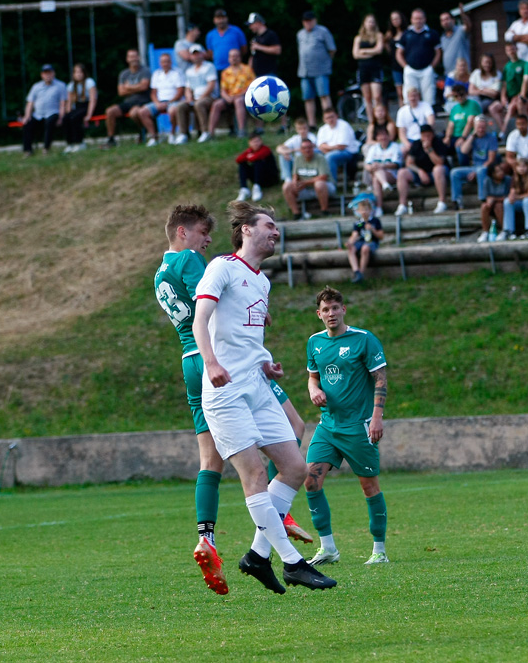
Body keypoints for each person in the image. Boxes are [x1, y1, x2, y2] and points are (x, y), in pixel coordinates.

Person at [155, 203, 313, 595]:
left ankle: (206, 536)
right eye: (201, 233)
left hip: (190, 361)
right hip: (220, 360)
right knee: (290, 430)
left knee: (210, 459)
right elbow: (208, 304)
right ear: (182, 233)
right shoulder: (194, 261)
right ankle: (278, 519)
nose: (207, 241)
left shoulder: (159, 274)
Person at [192, 201, 337, 594]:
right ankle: (292, 562)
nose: (276, 232)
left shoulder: (263, 281)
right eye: (269, 226)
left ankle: (257, 556)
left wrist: (267, 364)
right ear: (246, 230)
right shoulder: (221, 267)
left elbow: (245, 334)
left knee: (294, 467)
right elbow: (200, 319)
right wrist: (210, 362)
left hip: (256, 386)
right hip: (225, 392)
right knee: (254, 474)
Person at [304, 286, 390, 566]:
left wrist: (377, 417)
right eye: (325, 310)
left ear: (344, 310)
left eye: (335, 308)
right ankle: (328, 548)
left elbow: (380, 379)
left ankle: (379, 550)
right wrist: (313, 390)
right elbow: (312, 377)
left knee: (369, 487)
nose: (331, 313)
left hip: (358, 426)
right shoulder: (315, 343)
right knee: (311, 481)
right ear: (319, 314)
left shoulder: (364, 340)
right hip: (328, 426)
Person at [396, 124, 450, 216]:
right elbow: (409, 163)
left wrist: (429, 150)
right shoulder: (416, 144)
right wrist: (420, 171)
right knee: (402, 173)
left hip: (437, 173)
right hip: (421, 174)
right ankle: (402, 205)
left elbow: (440, 162)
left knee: (438, 169)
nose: (426, 138)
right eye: (424, 135)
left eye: (428, 135)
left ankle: (442, 202)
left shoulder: (438, 143)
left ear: (432, 134)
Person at [297, 12, 337, 129]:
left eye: (310, 20)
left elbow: (332, 50)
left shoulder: (323, 31)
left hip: (321, 71)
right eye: (305, 21)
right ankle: (312, 123)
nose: (307, 23)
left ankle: (329, 121)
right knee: (308, 98)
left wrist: (325, 62)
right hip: (305, 71)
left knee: (324, 96)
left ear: (315, 20)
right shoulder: (300, 34)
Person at [103, 49, 150, 148]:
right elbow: (121, 92)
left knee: (134, 113)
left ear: (139, 57)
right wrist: (137, 87)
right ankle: (111, 139)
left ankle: (142, 133)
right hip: (128, 102)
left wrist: (128, 87)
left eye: (135, 56)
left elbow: (144, 87)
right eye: (131, 56)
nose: (133, 59)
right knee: (110, 111)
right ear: (127, 59)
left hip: (142, 101)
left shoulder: (145, 71)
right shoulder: (124, 74)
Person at [137, 53, 185, 147]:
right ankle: (154, 137)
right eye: (163, 62)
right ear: (160, 63)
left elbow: (180, 92)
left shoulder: (177, 73)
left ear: (171, 62)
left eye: (167, 61)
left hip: (173, 101)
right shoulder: (156, 74)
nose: (165, 64)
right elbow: (153, 93)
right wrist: (157, 103)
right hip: (159, 102)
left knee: (173, 110)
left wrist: (168, 102)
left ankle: (172, 134)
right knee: (142, 112)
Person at [173, 45, 218, 144]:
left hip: (209, 97)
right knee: (180, 106)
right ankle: (183, 134)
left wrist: (200, 98)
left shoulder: (209, 66)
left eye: (198, 53)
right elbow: (188, 88)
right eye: (194, 54)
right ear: (191, 56)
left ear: (202, 54)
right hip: (195, 98)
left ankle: (205, 132)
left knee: (199, 104)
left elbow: (211, 85)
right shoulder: (189, 71)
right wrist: (189, 97)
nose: (196, 56)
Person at [451, 115, 498, 209]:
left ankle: (482, 198)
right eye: (478, 127)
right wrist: (472, 136)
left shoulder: (491, 138)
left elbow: (491, 159)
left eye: (483, 128)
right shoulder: (472, 137)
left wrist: (476, 172)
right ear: (474, 127)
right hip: (473, 167)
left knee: (481, 171)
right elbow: (464, 151)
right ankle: (457, 200)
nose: (481, 130)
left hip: (485, 167)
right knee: (454, 172)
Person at [396, 9, 442, 107]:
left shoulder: (432, 33)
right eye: (416, 18)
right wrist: (405, 67)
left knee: (429, 98)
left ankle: (428, 120)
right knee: (409, 98)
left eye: (420, 18)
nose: (418, 21)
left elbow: (438, 52)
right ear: (412, 20)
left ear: (424, 19)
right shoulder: (406, 34)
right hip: (411, 70)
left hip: (427, 70)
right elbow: (399, 53)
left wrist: (432, 67)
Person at [283, 138, 336, 219]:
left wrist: (305, 183)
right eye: (304, 148)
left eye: (309, 147)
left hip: (325, 188)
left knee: (319, 184)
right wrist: (295, 183)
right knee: (286, 186)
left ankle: (324, 210)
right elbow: (295, 175)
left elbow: (323, 177)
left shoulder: (320, 158)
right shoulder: (298, 159)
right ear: (300, 149)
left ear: (313, 148)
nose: (307, 150)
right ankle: (296, 214)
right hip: (305, 189)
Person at [20, 63, 66, 157]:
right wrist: (27, 116)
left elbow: (63, 103)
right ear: (42, 75)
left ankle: (46, 148)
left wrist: (61, 117)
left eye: (50, 72)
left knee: (50, 122)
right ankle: (28, 150)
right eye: (45, 73)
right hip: (38, 114)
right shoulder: (36, 86)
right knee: (27, 124)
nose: (48, 75)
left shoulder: (60, 85)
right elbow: (30, 103)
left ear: (54, 73)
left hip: (53, 113)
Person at [208, 48, 254, 139]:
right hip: (229, 98)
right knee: (216, 104)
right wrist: (227, 98)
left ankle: (241, 131)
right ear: (229, 59)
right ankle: (210, 133)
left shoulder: (247, 69)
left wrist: (239, 95)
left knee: (238, 101)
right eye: (232, 56)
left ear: (240, 57)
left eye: (236, 56)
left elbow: (252, 86)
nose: (234, 58)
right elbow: (223, 90)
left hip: (243, 97)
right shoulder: (225, 72)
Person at [316, 108, 361, 190]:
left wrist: (326, 147)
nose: (330, 120)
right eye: (327, 118)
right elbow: (320, 146)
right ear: (324, 119)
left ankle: (332, 186)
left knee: (330, 157)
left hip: (347, 153)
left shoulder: (344, 125)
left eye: (331, 117)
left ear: (336, 116)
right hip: (330, 152)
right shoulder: (323, 129)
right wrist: (332, 147)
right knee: (313, 152)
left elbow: (341, 146)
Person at [353, 14, 385, 126]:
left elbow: (379, 50)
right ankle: (372, 122)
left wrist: (364, 52)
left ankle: (380, 120)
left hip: (375, 69)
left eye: (372, 22)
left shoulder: (379, 35)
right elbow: (356, 54)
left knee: (377, 96)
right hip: (363, 69)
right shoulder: (358, 38)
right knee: (367, 97)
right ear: (364, 24)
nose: (370, 24)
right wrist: (372, 52)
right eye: (368, 22)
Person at [347, 195, 385, 283]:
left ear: (370, 210)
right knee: (351, 249)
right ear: (358, 211)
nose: (364, 212)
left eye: (366, 210)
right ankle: (356, 272)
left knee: (365, 248)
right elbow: (355, 235)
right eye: (362, 210)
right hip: (361, 241)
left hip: (372, 242)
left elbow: (381, 236)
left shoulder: (375, 221)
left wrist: (372, 230)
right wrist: (350, 242)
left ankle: (361, 272)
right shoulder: (359, 223)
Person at [363, 128, 402, 213]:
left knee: (377, 174)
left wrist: (382, 166)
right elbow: (367, 165)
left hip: (392, 175)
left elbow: (396, 164)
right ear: (377, 138)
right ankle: (385, 185)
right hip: (376, 175)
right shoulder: (374, 148)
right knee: (376, 177)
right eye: (380, 135)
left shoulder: (395, 147)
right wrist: (372, 167)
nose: (382, 137)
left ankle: (379, 207)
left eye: (384, 135)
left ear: (388, 136)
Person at [502, 157, 528, 240]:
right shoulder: (515, 178)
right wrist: (511, 197)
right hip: (520, 202)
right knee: (507, 202)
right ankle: (509, 231)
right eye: (519, 166)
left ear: (527, 167)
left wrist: (517, 197)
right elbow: (512, 191)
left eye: (523, 166)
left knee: (527, 201)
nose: (521, 169)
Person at [235, 133, 279, 203]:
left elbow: (255, 157)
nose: (256, 143)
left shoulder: (265, 149)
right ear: (249, 143)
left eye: (258, 141)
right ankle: (244, 189)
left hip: (270, 178)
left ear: (261, 141)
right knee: (242, 164)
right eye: (253, 142)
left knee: (257, 162)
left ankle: (257, 187)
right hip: (258, 177)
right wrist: (249, 156)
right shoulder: (249, 151)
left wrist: (251, 156)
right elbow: (238, 159)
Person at [63, 63, 96, 153]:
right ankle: (70, 143)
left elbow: (93, 99)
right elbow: (69, 102)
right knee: (66, 118)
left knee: (75, 118)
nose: (78, 74)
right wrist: (68, 113)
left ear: (84, 73)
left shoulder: (89, 82)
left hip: (87, 106)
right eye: (76, 72)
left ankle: (80, 142)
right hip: (78, 106)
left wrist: (89, 114)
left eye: (80, 72)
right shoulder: (71, 85)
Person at [205, 9, 247, 76]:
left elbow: (244, 49)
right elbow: (210, 53)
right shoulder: (210, 35)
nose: (221, 21)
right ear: (214, 20)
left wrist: (235, 58)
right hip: (218, 68)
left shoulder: (236, 31)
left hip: (235, 67)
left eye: (223, 18)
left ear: (227, 18)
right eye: (218, 18)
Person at [478, 161, 511, 242]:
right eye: (498, 172)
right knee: (484, 206)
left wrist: (495, 199)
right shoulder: (487, 181)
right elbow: (487, 196)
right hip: (492, 204)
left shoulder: (508, 180)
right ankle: (485, 232)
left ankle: (505, 231)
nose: (501, 173)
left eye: (501, 170)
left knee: (498, 206)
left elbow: (508, 197)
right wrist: (490, 201)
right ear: (492, 174)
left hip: (504, 205)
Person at [276, 118, 317, 182]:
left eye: (304, 128)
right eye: (300, 129)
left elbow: (307, 148)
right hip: (297, 162)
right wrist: (285, 153)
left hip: (308, 161)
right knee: (283, 156)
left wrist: (292, 150)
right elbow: (279, 148)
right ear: (296, 130)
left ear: (308, 128)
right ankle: (288, 179)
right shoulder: (295, 138)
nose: (302, 131)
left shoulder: (312, 137)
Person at [469, 53, 504, 128]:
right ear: (481, 63)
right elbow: (470, 91)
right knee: (472, 104)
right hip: (476, 98)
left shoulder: (497, 74)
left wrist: (479, 89)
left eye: (489, 62)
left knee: (476, 107)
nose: (487, 64)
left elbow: (494, 93)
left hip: (489, 100)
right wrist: (486, 90)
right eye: (485, 62)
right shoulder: (476, 73)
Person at [444, 84, 481, 150]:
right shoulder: (454, 108)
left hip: (468, 136)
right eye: (456, 96)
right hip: (454, 136)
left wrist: (463, 138)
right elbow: (451, 124)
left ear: (466, 94)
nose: (459, 97)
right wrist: (447, 137)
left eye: (461, 95)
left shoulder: (472, 104)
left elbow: (470, 122)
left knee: (459, 147)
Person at [246, 13, 282, 80]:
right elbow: (252, 56)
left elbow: (277, 50)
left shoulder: (271, 34)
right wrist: (249, 70)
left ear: (258, 23)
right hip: (256, 75)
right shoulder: (255, 38)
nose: (250, 27)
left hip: (269, 74)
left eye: (251, 25)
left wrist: (259, 47)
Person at [500, 43, 528, 125]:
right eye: (508, 50)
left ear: (516, 49)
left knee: (512, 107)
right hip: (510, 96)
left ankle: (523, 127)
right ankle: (504, 131)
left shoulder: (524, 64)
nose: (511, 52)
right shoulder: (506, 66)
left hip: (521, 96)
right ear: (506, 52)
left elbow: (526, 82)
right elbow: (504, 83)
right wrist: (503, 96)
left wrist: (520, 95)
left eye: (512, 49)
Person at [439, 9, 472, 75]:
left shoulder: (460, 30)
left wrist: (463, 16)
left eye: (447, 19)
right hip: (448, 74)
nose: (445, 22)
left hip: (463, 74)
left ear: (453, 20)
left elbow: (468, 27)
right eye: (442, 20)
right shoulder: (442, 37)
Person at [385, 11, 407, 107]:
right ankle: (403, 112)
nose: (395, 21)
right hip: (395, 66)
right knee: (400, 93)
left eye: (397, 18)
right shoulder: (390, 34)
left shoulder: (407, 32)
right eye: (393, 19)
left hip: (407, 64)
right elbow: (385, 43)